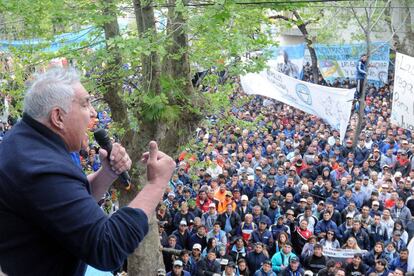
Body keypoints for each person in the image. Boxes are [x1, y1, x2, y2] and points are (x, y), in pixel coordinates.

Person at [0, 68, 176, 275]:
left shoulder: (26, 143)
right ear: (58, 117)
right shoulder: (40, 167)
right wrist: (156, 184)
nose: (94, 113)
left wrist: (107, 173)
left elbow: (64, 203)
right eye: (85, 104)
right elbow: (107, 247)